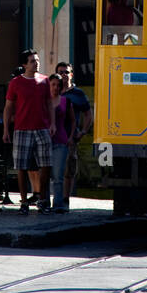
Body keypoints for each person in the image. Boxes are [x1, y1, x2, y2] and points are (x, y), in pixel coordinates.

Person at [3, 50, 53, 213]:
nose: (36, 63)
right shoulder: (16, 83)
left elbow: (49, 104)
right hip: (22, 129)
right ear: (24, 64)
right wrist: (5, 129)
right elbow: (9, 107)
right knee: (21, 166)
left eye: (37, 60)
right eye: (32, 61)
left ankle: (43, 199)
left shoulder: (45, 81)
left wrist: (53, 124)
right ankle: (24, 201)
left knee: (46, 165)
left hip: (42, 128)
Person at [56, 61, 92, 209]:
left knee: (68, 169)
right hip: (54, 135)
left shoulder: (78, 93)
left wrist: (83, 131)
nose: (64, 74)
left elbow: (88, 114)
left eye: (66, 72)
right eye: (61, 72)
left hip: (70, 136)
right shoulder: (53, 90)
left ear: (71, 74)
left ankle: (65, 199)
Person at [48, 73, 75, 212]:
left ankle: (58, 204)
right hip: (45, 141)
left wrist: (71, 137)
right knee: (45, 175)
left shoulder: (65, 101)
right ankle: (44, 202)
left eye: (58, 85)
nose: (56, 87)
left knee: (58, 175)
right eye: (53, 84)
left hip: (60, 141)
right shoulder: (44, 101)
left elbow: (72, 120)